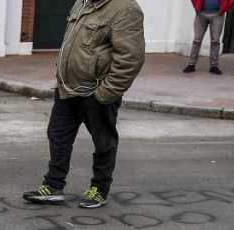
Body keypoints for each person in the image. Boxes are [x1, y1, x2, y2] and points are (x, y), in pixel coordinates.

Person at [23, 0, 145, 209]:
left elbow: (130, 58)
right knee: (57, 135)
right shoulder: (82, 3)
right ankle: (53, 186)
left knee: (103, 142)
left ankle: (99, 188)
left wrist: (106, 93)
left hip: (97, 91)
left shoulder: (125, 8)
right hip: (68, 88)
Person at [183, 0, 234, 75]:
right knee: (197, 40)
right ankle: (191, 64)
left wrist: (225, 8)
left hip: (218, 14)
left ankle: (214, 66)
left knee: (215, 41)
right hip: (201, 13)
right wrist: (196, 6)